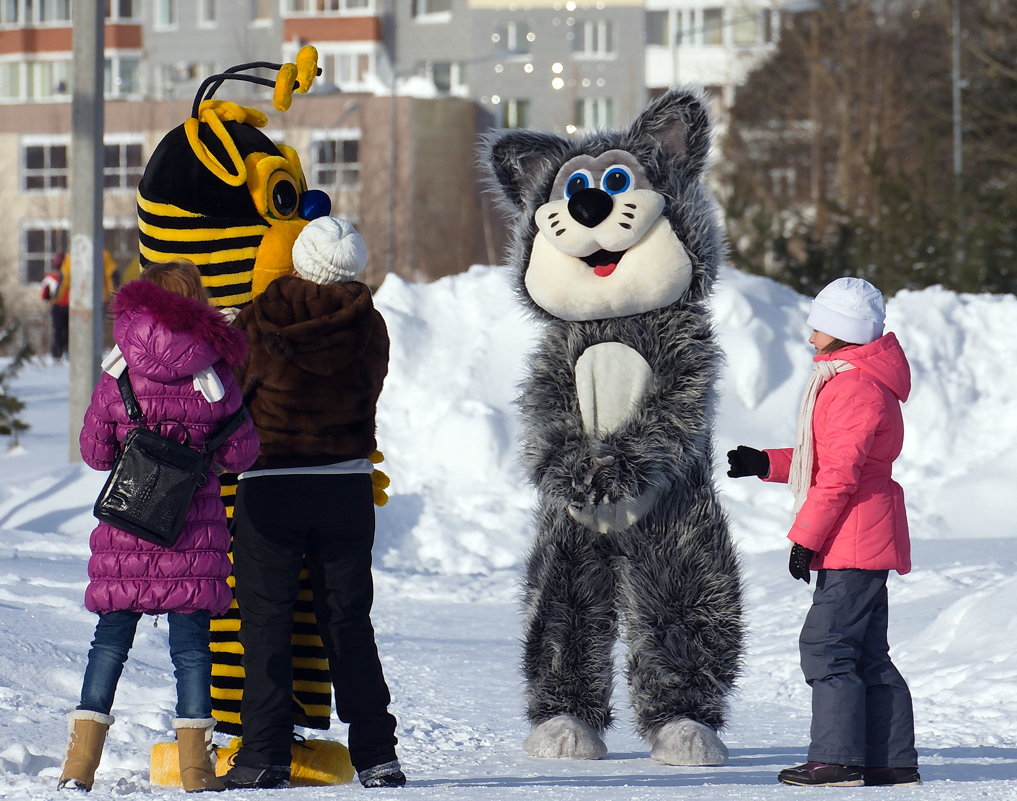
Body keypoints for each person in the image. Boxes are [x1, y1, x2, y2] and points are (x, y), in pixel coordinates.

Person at [60, 260, 260, 793]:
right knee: (193, 649)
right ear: (194, 300)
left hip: (128, 530)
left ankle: (78, 769)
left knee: (109, 642)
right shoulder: (215, 372)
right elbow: (242, 452)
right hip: (191, 536)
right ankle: (196, 771)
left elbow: (95, 454)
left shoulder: (118, 367)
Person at [222, 216, 405, 790]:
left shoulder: (258, 318)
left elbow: (233, 389)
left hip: (270, 485)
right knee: (348, 621)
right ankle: (377, 755)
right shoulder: (368, 326)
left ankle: (263, 756)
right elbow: (371, 384)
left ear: (298, 259)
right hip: (345, 487)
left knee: (267, 622)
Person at [726, 277, 920, 788]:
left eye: (818, 327)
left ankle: (836, 760)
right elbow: (831, 459)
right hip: (864, 530)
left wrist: (805, 538)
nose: (811, 337)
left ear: (841, 331)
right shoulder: (855, 380)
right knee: (866, 652)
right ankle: (890, 760)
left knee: (827, 644)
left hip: (853, 537)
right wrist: (765, 462)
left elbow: (839, 477)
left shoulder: (853, 387)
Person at [39, 251, 69, 359]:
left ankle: (58, 353)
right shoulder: (71, 275)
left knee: (57, 330)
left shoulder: (50, 276)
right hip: (70, 307)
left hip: (57, 306)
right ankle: (67, 352)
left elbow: (43, 294)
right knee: (68, 330)